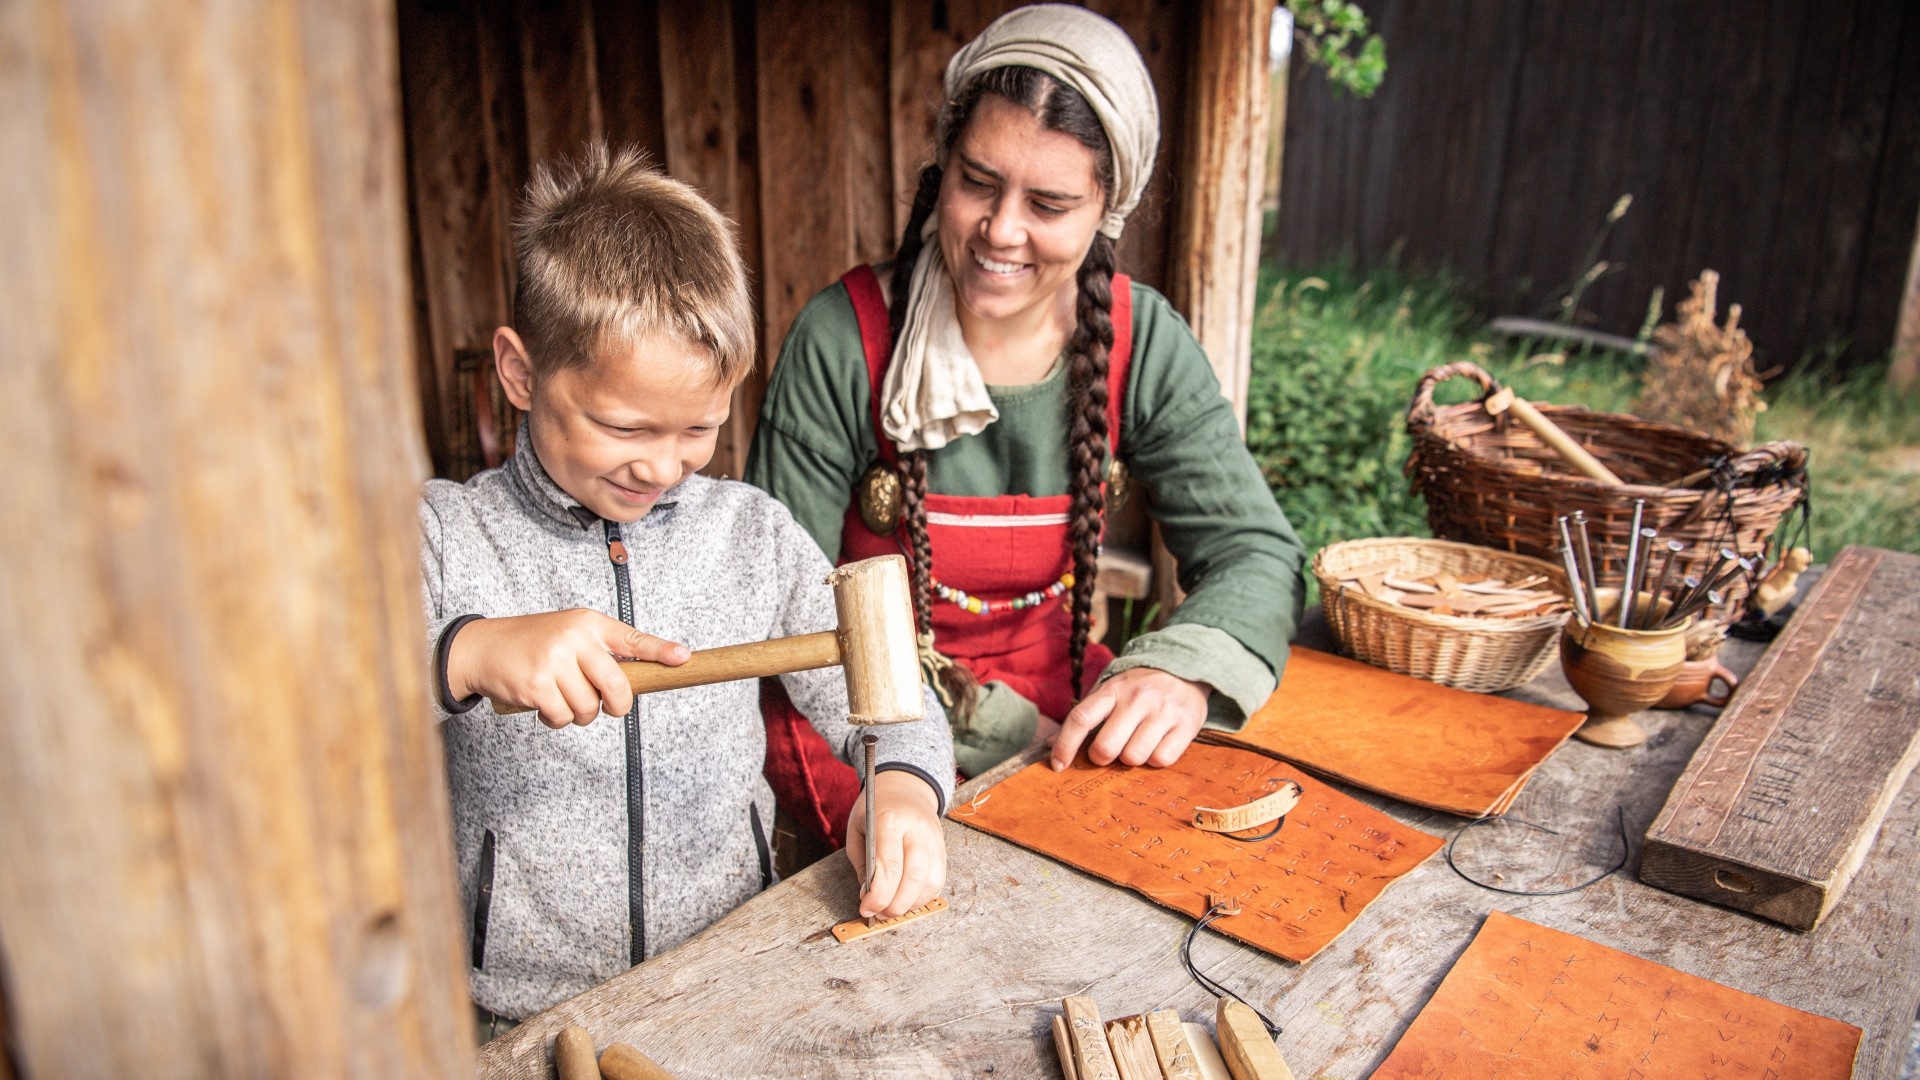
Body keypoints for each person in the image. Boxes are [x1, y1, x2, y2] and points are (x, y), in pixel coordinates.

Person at [420, 144, 953, 1027]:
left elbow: (893, 700)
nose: (662, 467)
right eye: (622, 425)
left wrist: (902, 785)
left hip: (729, 981)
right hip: (515, 1011)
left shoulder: (750, 536)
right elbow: (335, 702)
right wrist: (469, 652)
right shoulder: (446, 533)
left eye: (699, 429)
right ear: (520, 373)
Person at [746, 4, 1305, 843]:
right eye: (977, 181)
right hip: (865, 727)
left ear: (1109, 206)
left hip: (1063, 717)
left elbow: (1257, 554)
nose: (1000, 231)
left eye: (1049, 203)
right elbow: (782, 609)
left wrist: (1177, 674)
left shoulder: (1139, 339)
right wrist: (989, 727)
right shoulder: (843, 338)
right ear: (943, 163)